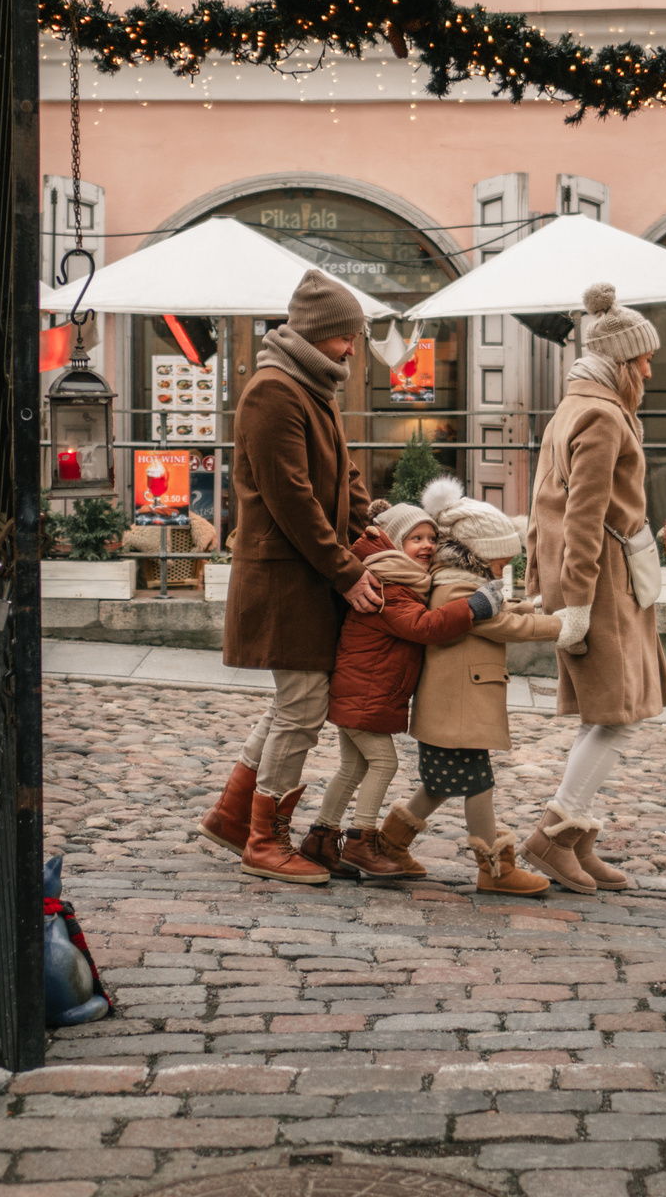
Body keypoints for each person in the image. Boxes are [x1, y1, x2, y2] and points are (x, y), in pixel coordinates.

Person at [195, 269, 383, 884]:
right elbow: (291, 499)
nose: (353, 347)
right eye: (346, 336)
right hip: (286, 578)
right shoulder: (273, 391)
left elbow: (344, 476)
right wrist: (347, 571)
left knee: (294, 704)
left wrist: (369, 530)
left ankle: (231, 816)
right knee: (301, 707)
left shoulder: (313, 386)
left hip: (308, 574)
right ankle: (263, 839)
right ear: (321, 332)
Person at [521, 282, 666, 891]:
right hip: (603, 584)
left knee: (611, 712)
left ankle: (577, 838)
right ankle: (554, 833)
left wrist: (541, 581)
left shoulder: (574, 406)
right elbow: (580, 516)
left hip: (599, 579)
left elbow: (542, 506)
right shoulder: (604, 415)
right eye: (642, 359)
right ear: (619, 361)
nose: (650, 369)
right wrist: (577, 601)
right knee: (618, 716)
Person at [381, 479, 562, 896]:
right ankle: (494, 869)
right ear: (478, 553)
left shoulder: (460, 578)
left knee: (441, 781)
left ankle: (390, 843)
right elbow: (498, 623)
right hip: (457, 705)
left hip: (454, 704)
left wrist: (527, 604)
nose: (502, 570)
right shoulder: (457, 585)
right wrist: (558, 626)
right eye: (500, 562)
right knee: (478, 783)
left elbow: (497, 609)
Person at [307, 498, 500, 880]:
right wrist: (475, 606)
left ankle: (320, 841)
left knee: (352, 767)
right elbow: (424, 627)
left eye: (431, 537)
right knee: (383, 763)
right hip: (366, 695)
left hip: (363, 692)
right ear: (395, 543)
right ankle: (361, 841)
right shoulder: (389, 585)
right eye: (416, 538)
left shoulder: (401, 577)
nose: (427, 545)